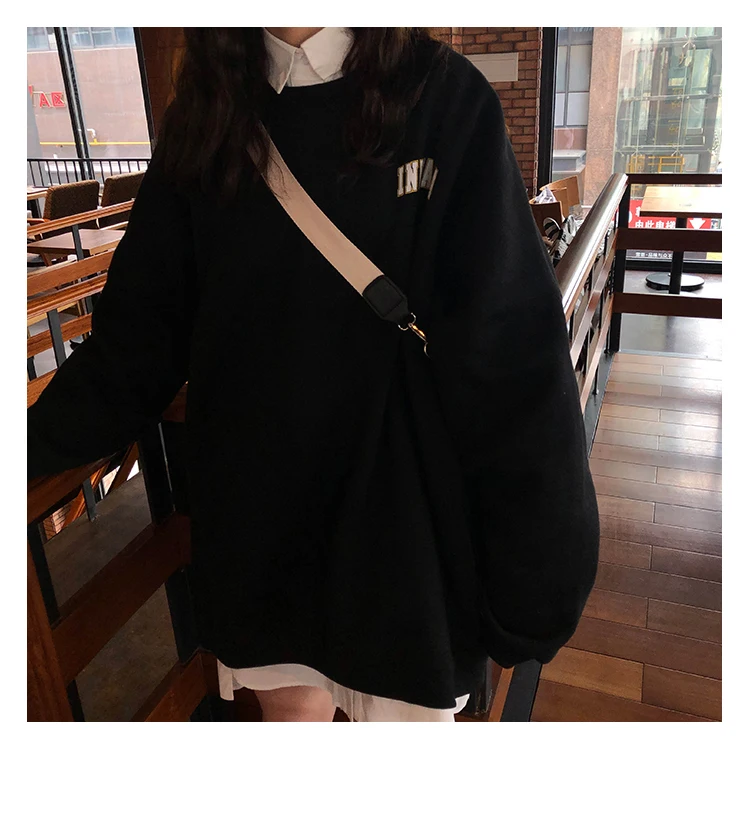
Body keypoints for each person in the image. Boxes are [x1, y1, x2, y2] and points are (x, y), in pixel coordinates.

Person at [27, 27, 599, 722]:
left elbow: (510, 356)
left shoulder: (443, 97)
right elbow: (133, 348)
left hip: (403, 539)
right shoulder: (207, 115)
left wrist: (541, 574)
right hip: (263, 538)